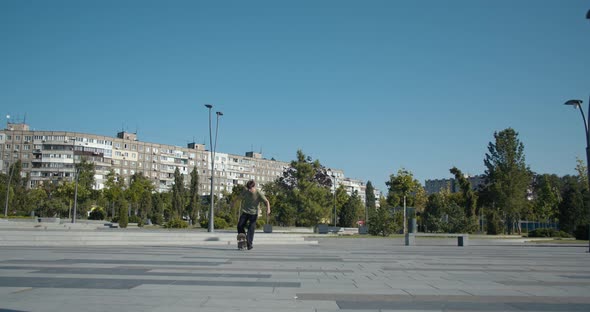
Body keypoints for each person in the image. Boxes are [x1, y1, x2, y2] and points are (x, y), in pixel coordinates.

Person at [237, 180, 270, 250]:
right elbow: (239, 197)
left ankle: (249, 244)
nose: (249, 190)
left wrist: (268, 209)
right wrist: (233, 203)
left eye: (250, 188)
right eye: (248, 188)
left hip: (253, 213)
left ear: (253, 187)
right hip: (245, 212)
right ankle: (243, 240)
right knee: (240, 225)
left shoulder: (258, 193)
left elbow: (266, 201)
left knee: (251, 229)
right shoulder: (246, 191)